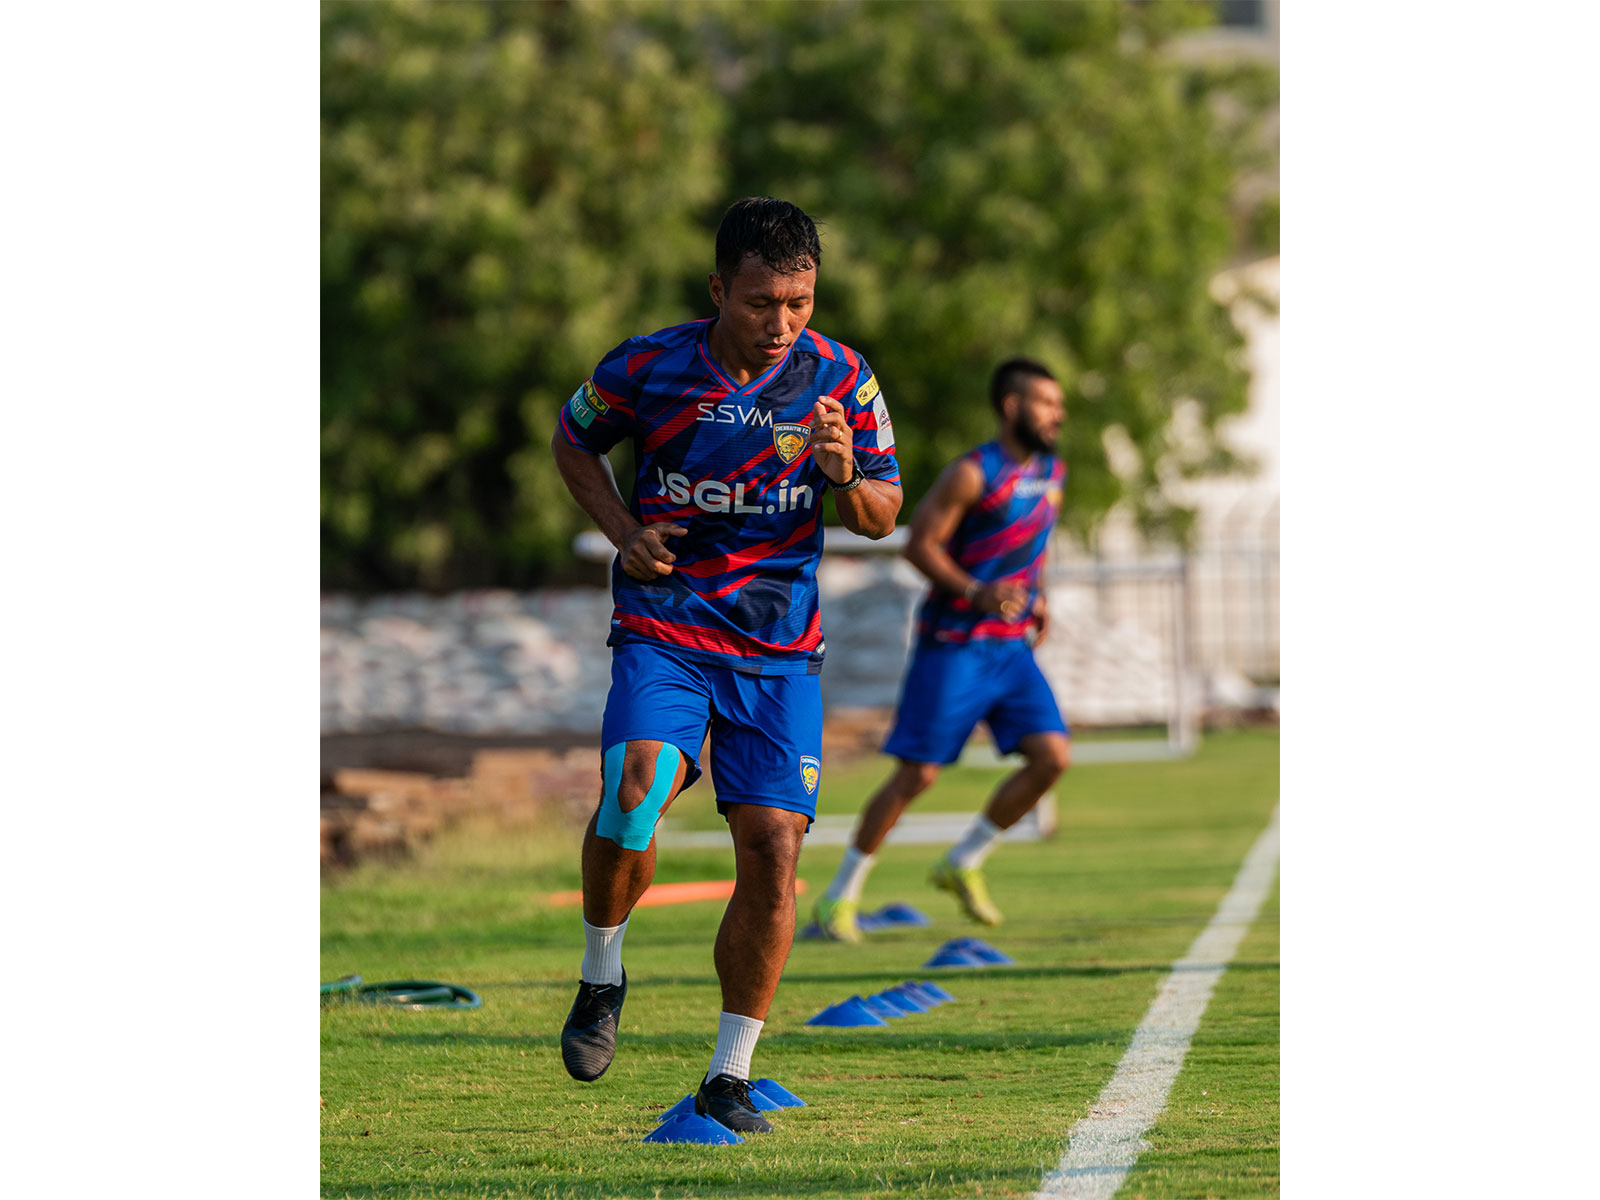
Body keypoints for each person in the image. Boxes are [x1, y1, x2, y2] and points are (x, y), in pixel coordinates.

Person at [550, 197, 902, 1132]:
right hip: (667, 623)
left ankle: (729, 1074)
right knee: (633, 788)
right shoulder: (649, 365)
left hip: (777, 648)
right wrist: (624, 532)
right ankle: (600, 974)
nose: (782, 321)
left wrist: (842, 476)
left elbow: (883, 512)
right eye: (760, 302)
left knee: (774, 848)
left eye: (799, 300)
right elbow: (572, 438)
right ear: (718, 290)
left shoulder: (842, 378)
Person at [811, 358, 1072, 943]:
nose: (1056, 415)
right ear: (1011, 406)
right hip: (955, 644)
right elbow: (918, 546)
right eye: (1045, 403)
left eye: (1059, 405)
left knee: (1053, 757)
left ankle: (964, 860)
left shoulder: (1053, 470)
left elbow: (1038, 544)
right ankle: (839, 898)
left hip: (1011, 650)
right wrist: (977, 592)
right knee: (917, 776)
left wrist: (1041, 596)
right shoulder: (973, 473)